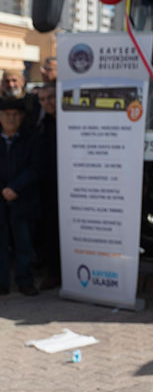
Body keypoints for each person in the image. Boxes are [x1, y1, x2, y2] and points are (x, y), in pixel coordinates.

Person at [0, 98, 40, 296]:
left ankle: (25, 281)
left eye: (15, 115)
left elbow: (35, 167)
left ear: (22, 117)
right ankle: (2, 283)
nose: (11, 118)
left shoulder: (31, 138)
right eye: (6, 114)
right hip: (1, 199)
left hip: (23, 198)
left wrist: (15, 187)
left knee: (24, 244)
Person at [34, 84, 59, 289]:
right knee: (50, 231)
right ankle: (53, 272)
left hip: (72, 184)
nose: (46, 103)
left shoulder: (70, 121)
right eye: (42, 99)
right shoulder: (42, 124)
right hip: (47, 186)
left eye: (50, 97)